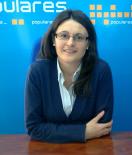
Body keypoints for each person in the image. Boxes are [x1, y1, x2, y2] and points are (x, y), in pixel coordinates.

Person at [25, 10, 113, 143]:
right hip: (48, 150)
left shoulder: (101, 71)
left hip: (90, 149)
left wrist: (54, 131)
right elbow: (34, 127)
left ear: (88, 43)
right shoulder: (37, 72)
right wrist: (83, 132)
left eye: (78, 37)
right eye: (64, 35)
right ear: (54, 40)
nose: (71, 43)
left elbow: (102, 126)